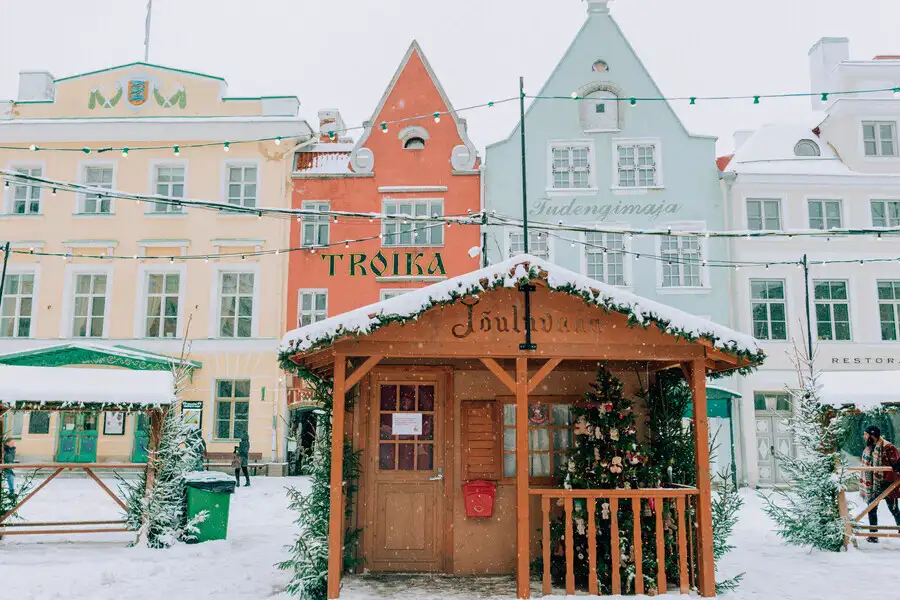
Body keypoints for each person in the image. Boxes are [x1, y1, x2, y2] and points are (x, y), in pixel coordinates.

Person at [860, 425, 900, 543]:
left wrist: (896, 466)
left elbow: (897, 462)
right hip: (873, 484)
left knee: (893, 509)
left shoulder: (888, 447)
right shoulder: (869, 448)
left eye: (866, 434)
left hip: (888, 484)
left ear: (872, 435)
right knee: (871, 508)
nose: (864, 436)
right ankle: (873, 535)